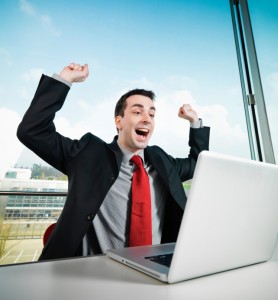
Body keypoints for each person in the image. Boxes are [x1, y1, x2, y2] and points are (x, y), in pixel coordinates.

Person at [17, 63, 210, 261]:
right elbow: (33, 131)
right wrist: (65, 79)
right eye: (137, 112)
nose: (147, 119)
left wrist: (195, 122)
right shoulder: (88, 154)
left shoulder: (160, 159)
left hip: (154, 271)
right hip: (92, 274)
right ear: (119, 122)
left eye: (151, 114)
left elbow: (198, 163)